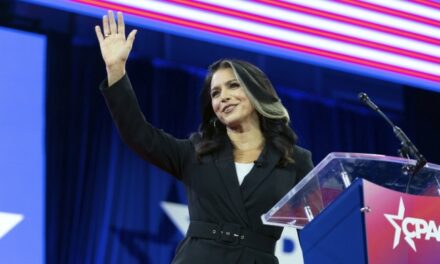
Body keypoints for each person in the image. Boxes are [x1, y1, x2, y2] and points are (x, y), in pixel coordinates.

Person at [95, 10, 313, 264]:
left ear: (257, 93)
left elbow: (320, 232)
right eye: (216, 93)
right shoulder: (197, 151)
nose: (223, 97)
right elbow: (138, 134)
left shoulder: (293, 159)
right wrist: (116, 70)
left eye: (233, 86)